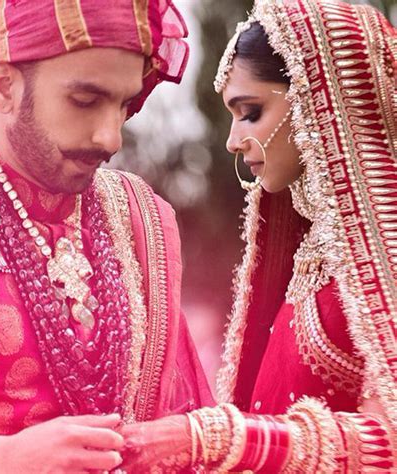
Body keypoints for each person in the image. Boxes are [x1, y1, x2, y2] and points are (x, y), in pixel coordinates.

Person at [0, 0, 213, 472]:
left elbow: (183, 419)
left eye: (125, 104)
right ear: (3, 86)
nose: (110, 137)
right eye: (85, 101)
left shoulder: (139, 216)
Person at [119, 0, 397, 471]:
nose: (231, 140)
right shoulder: (315, 250)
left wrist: (215, 439)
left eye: (250, 112)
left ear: (318, 103)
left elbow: (389, 440)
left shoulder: (386, 254)